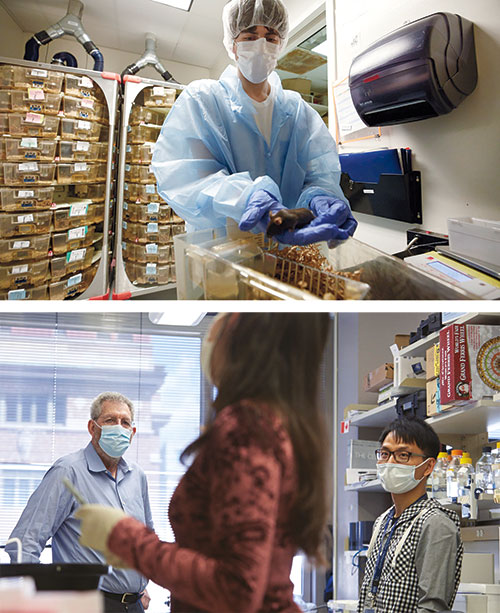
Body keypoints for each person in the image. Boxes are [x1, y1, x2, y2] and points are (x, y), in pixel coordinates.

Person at [75, 313, 331, 613]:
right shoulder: (275, 424)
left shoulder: (247, 428)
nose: (212, 332)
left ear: (249, 337)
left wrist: (126, 539)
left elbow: (238, 588)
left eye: (222, 317)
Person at [151, 0, 357, 246]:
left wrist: (322, 196)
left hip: (288, 255)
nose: (261, 46)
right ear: (234, 46)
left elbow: (319, 174)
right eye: (250, 36)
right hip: (222, 255)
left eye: (270, 37)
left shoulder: (299, 111)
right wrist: (245, 197)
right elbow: (185, 178)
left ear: (280, 44)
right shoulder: (203, 100)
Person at [6, 392, 153, 613]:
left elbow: (145, 537)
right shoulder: (67, 472)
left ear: (132, 433)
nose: (119, 427)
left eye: (125, 423)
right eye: (110, 420)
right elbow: (24, 542)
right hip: (86, 604)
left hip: (134, 605)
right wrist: (30, 602)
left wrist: (141, 585)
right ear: (92, 428)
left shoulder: (137, 476)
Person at [357, 417, 463, 613]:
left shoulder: (435, 524)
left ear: (429, 466)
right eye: (384, 454)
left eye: (403, 455)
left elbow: (432, 608)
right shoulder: (382, 521)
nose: (390, 462)